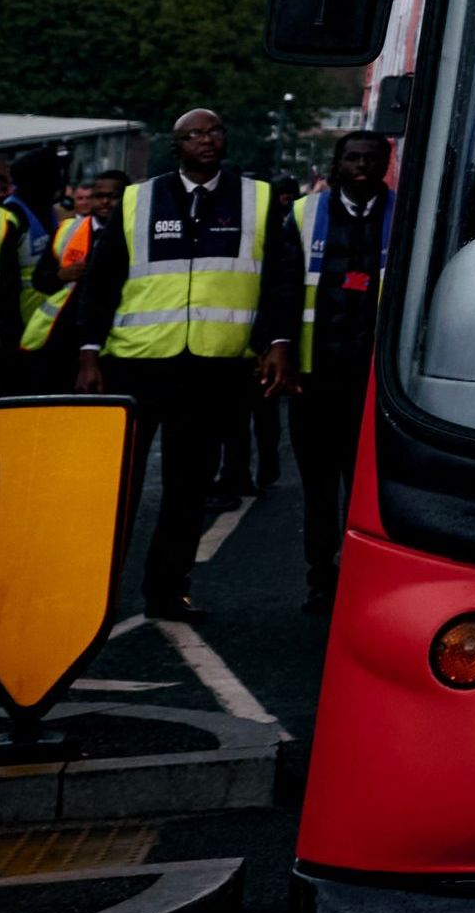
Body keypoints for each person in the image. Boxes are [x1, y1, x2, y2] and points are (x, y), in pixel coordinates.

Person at [65, 109, 299, 624]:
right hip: (137, 364)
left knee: (188, 487)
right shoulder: (138, 199)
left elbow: (281, 279)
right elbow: (101, 282)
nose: (207, 141)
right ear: (176, 146)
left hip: (213, 366)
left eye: (215, 131)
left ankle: (166, 592)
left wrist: (279, 342)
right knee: (117, 486)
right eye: (194, 134)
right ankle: (87, 596)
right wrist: (88, 351)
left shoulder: (255, 199)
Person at [295, 128, 395, 613]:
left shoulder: (408, 215)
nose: (361, 165)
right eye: (352, 157)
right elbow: (282, 287)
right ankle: (321, 577)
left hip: (375, 379)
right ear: (338, 163)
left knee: (364, 485)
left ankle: (362, 576)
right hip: (317, 375)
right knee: (318, 486)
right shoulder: (304, 213)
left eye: (371, 158)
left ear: (385, 163)